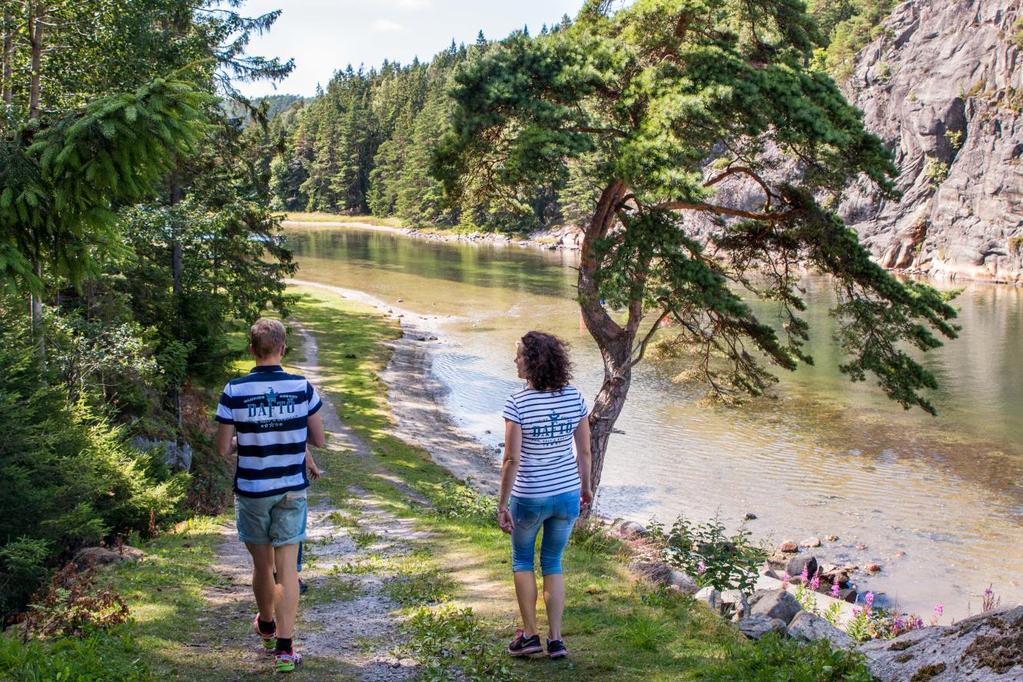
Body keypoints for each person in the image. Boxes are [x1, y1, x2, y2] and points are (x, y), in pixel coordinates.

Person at [215, 318, 325, 673]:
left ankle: (266, 622)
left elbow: (222, 448)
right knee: (288, 568)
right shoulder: (302, 387)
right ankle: (284, 647)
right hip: (291, 489)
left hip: (253, 489)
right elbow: (319, 439)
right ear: (282, 349)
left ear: (251, 349)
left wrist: (245, 439)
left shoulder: (234, 390)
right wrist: (289, 436)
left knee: (263, 566)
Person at [497, 331, 593, 660]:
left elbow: (511, 459)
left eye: (520, 355)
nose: (515, 360)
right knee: (553, 563)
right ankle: (556, 640)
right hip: (566, 493)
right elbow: (584, 452)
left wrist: (501, 504)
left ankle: (530, 636)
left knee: (523, 561)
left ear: (534, 361)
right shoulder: (575, 398)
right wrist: (585, 487)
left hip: (530, 496)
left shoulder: (518, 402)